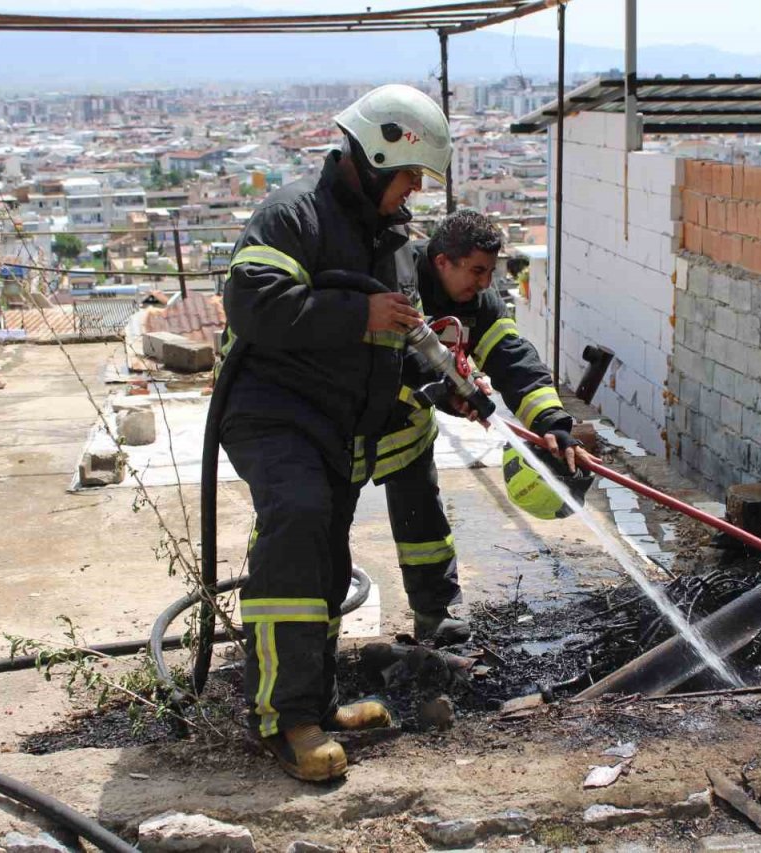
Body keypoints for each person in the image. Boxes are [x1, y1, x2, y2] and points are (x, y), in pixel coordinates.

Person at [218, 84, 452, 782]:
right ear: (379, 153)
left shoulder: (392, 245)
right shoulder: (294, 215)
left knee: (323, 557)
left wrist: (444, 381)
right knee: (297, 521)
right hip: (273, 412)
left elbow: (398, 333)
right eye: (409, 175)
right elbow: (252, 302)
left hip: (336, 425)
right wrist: (356, 315)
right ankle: (287, 720)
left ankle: (315, 703)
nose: (413, 191)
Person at [371, 209, 598, 646]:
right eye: (476, 270)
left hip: (405, 427)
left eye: (489, 272)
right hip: (354, 422)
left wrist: (553, 422)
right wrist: (447, 389)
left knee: (421, 516)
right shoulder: (396, 279)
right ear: (442, 261)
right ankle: (303, 625)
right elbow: (393, 359)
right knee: (322, 515)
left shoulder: (480, 304)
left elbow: (515, 362)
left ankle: (435, 615)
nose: (483, 283)